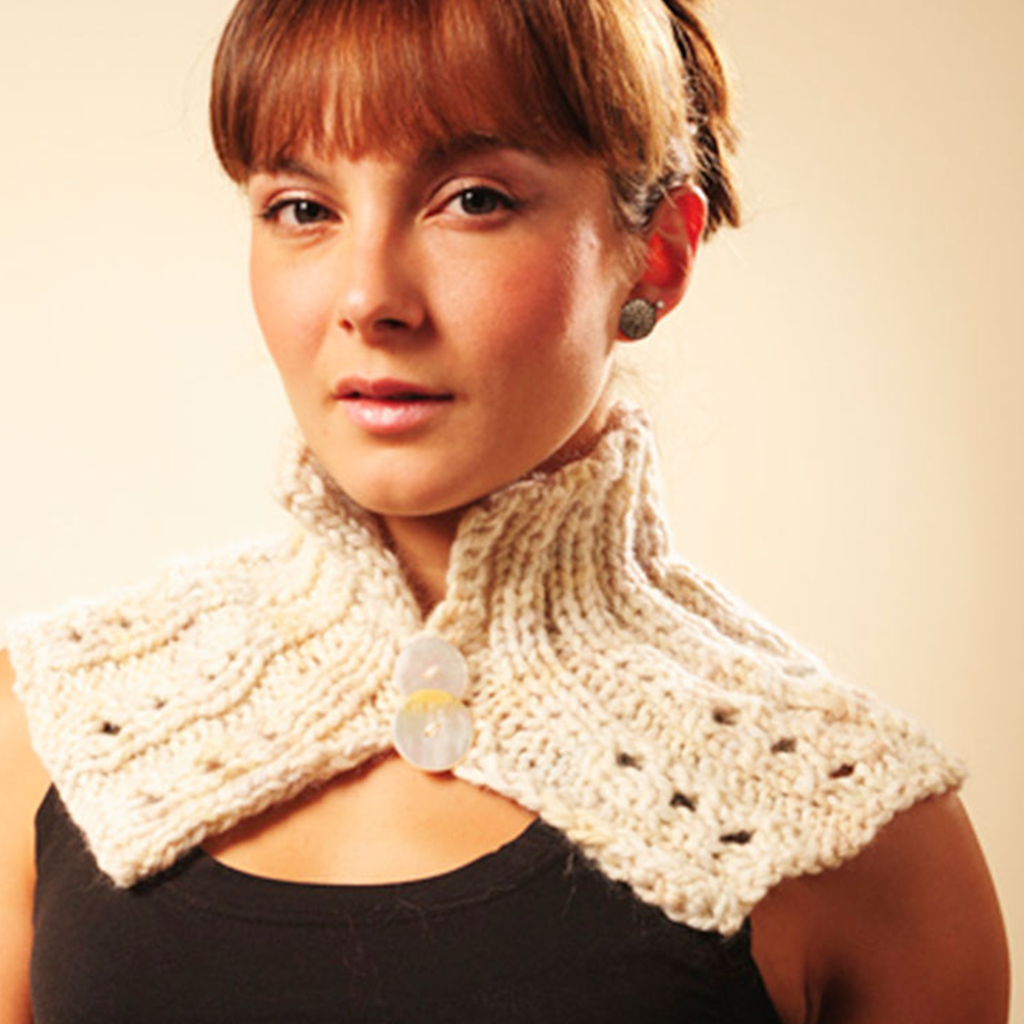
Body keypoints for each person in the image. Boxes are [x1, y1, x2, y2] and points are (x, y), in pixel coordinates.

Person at [0, 0, 1009, 1020]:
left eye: (472, 201)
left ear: (659, 253)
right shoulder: (49, 733)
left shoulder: (857, 832)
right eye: (303, 209)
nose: (369, 298)